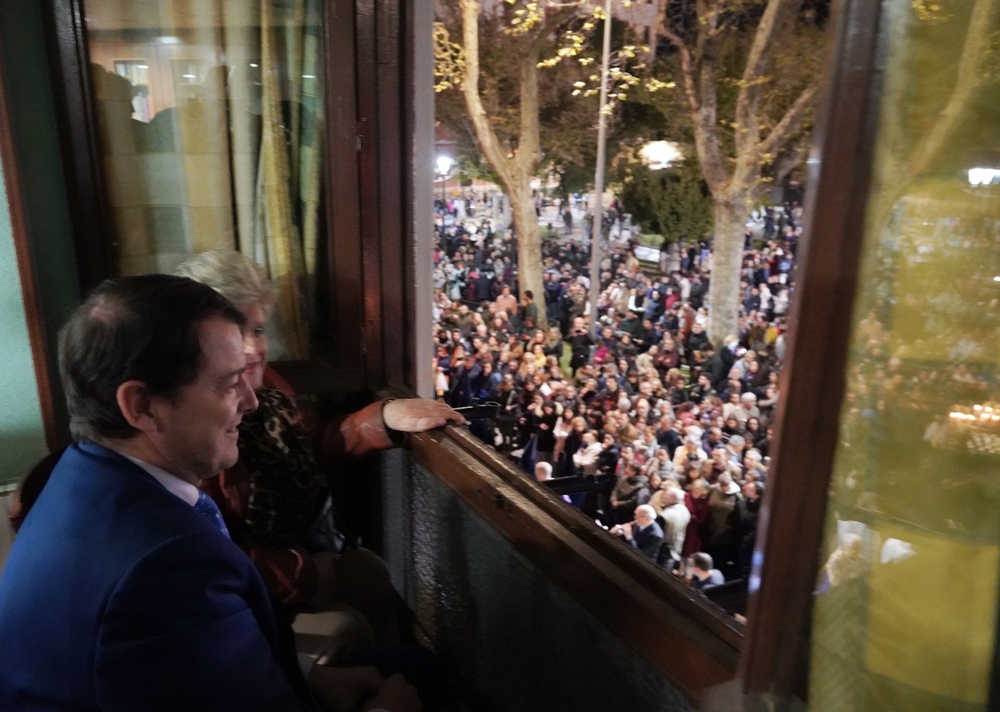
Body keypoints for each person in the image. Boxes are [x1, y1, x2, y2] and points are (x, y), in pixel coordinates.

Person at [0, 275, 420, 711]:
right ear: (142, 406)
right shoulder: (165, 567)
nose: (251, 402)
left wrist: (309, 676)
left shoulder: (74, 475)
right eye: (227, 383)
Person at [175, 250, 463, 647]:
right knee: (347, 629)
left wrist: (383, 419)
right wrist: (306, 573)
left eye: (258, 330)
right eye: (236, 333)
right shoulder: (188, 422)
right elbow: (211, 557)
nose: (254, 348)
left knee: (370, 574)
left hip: (298, 552)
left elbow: (308, 444)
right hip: (240, 601)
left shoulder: (269, 386)